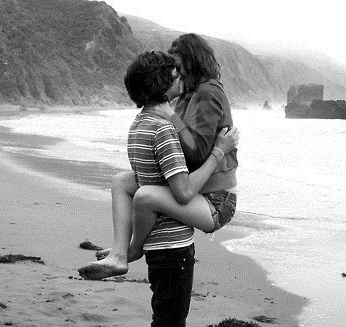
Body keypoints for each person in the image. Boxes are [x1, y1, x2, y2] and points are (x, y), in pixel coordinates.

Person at [78, 50, 239, 326]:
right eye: (175, 74)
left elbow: (148, 177)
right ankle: (128, 251)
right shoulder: (164, 130)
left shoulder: (138, 124)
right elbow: (184, 192)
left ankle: (121, 252)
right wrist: (218, 153)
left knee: (163, 316)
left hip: (156, 245)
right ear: (163, 83)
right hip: (173, 246)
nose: (181, 79)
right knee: (170, 321)